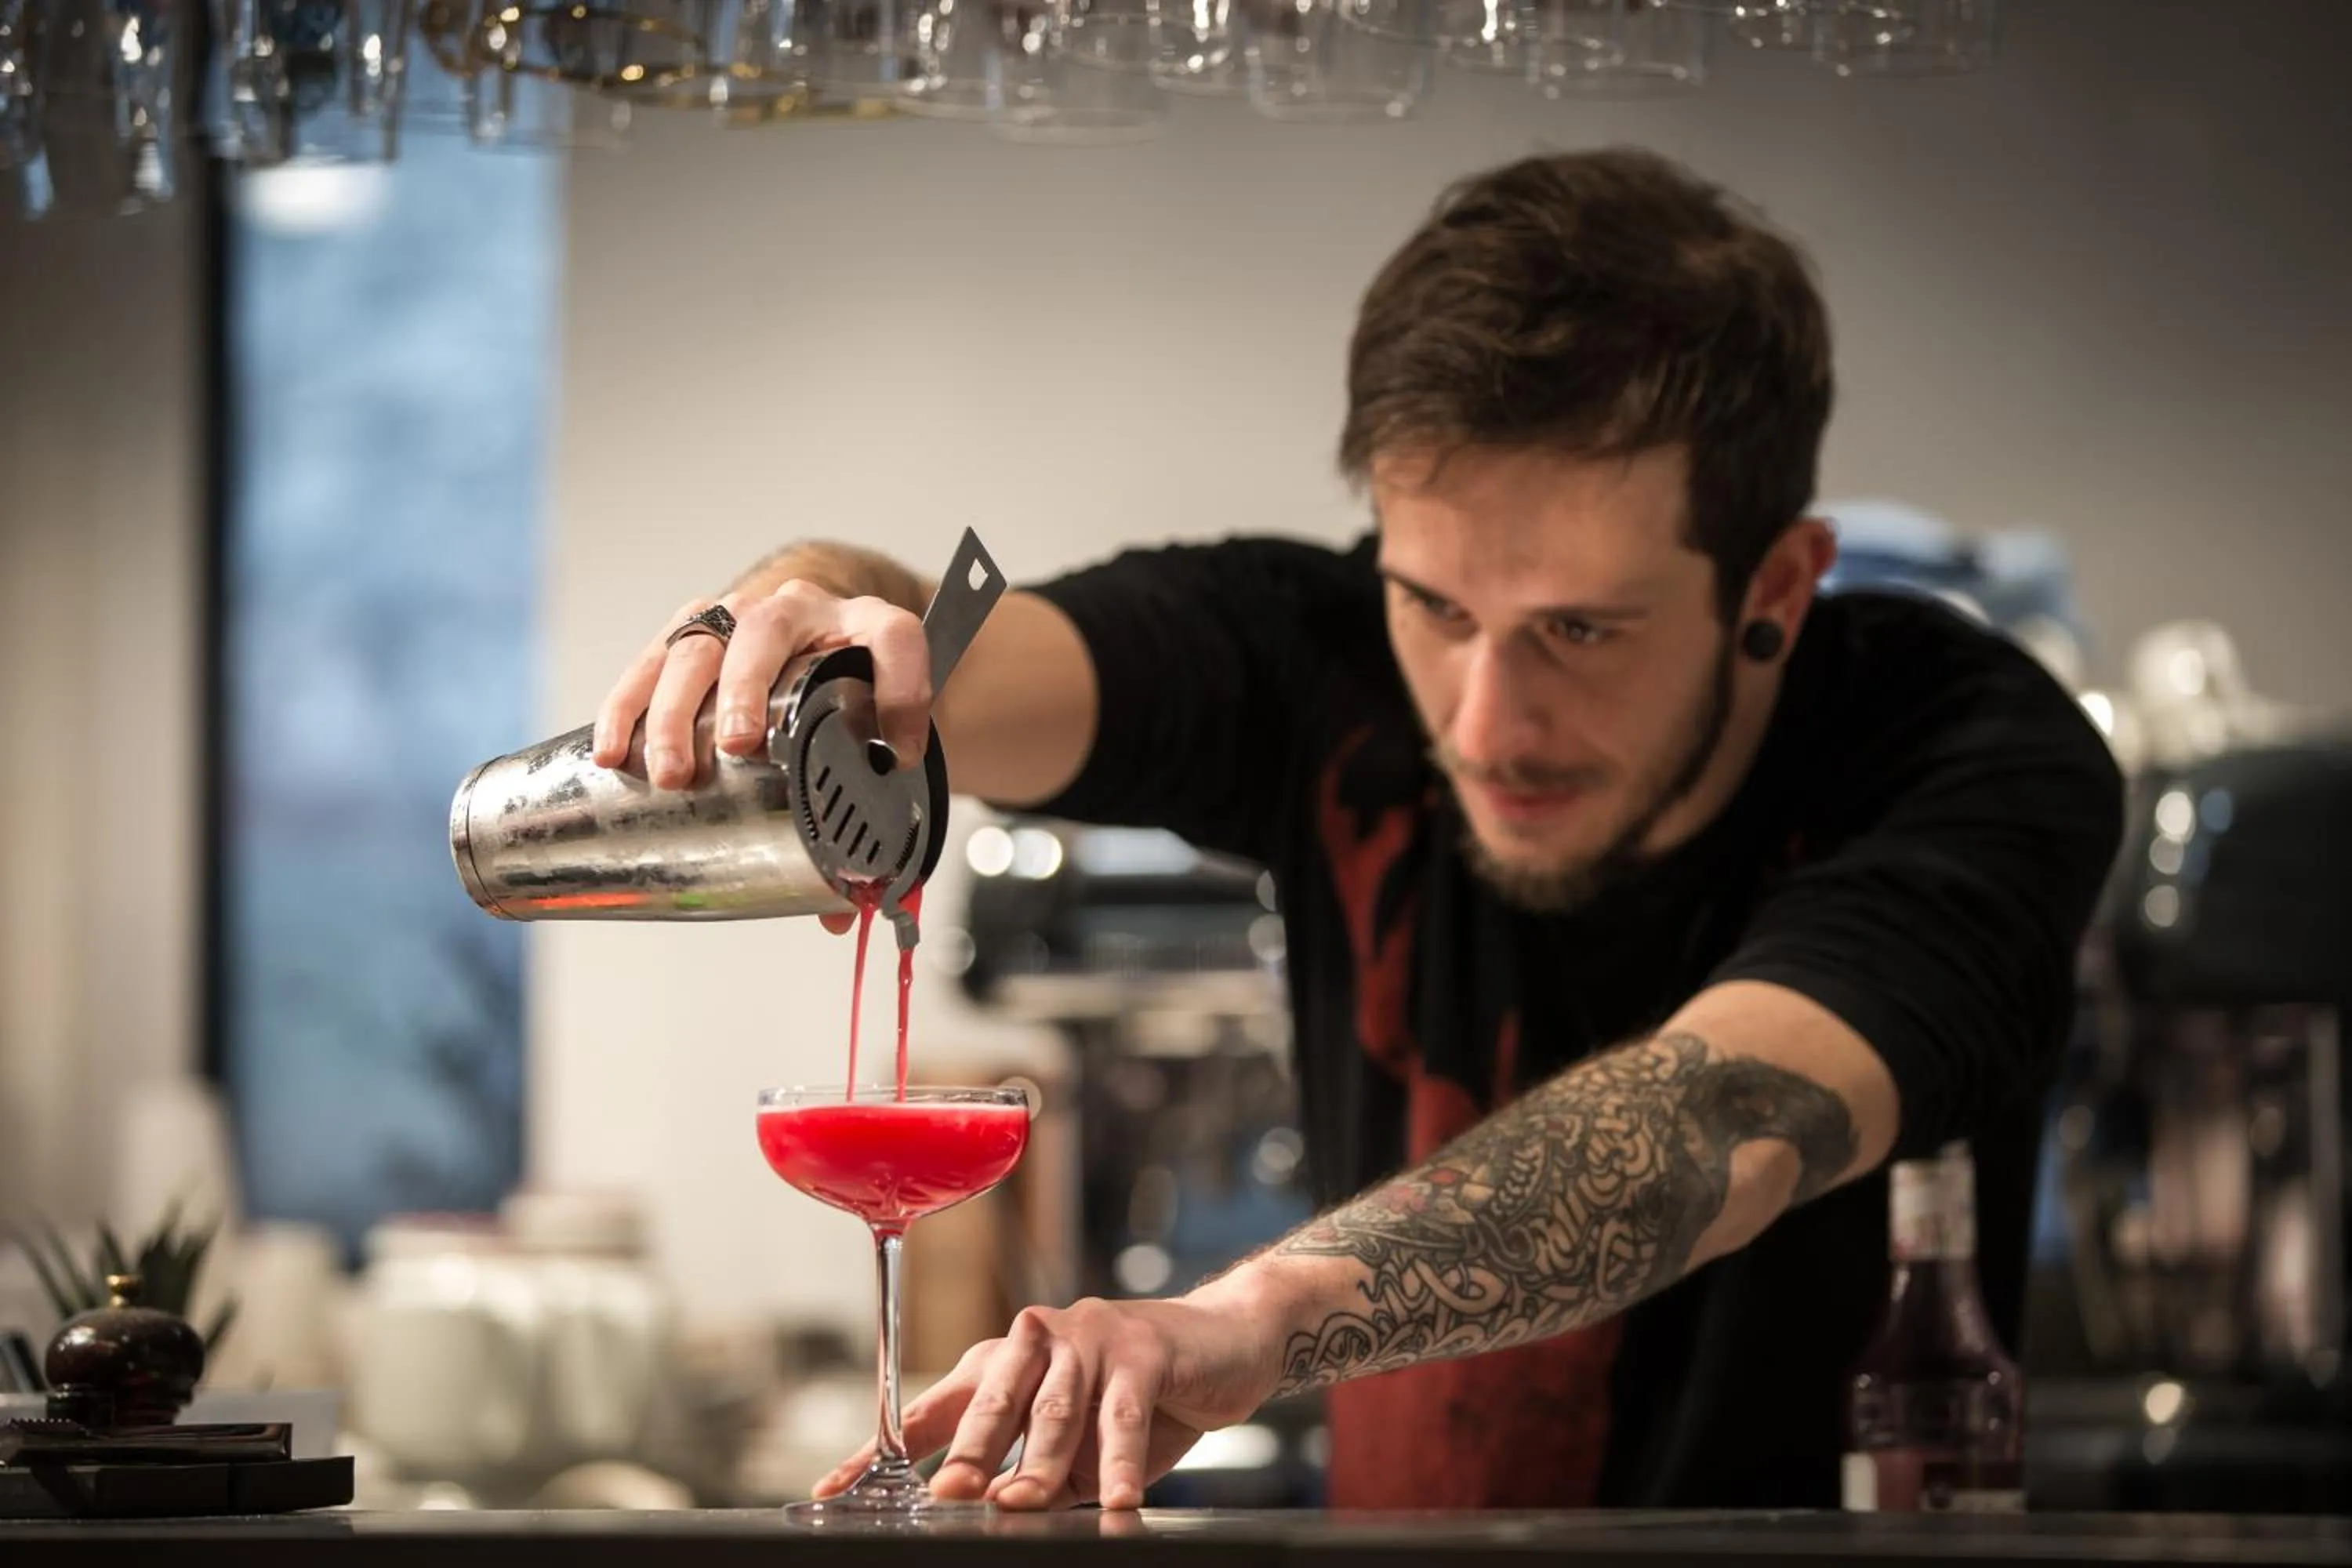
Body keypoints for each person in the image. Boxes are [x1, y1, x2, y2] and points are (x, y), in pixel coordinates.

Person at [593, 147, 2125, 1513]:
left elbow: (1710, 1127)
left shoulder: (1966, 752)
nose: (1481, 718)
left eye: (1580, 630)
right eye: (1437, 606)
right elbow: (952, 654)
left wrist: (1247, 1318)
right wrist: (809, 618)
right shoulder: (1309, 652)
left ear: (1775, 589)